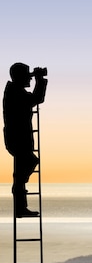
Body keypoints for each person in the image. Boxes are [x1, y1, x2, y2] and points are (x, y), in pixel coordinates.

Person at [3, 62, 47, 218]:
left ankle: (21, 206)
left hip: (18, 139)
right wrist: (40, 80)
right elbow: (37, 98)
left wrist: (38, 79)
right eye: (26, 74)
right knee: (25, 169)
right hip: (18, 140)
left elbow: (34, 99)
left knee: (23, 171)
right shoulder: (15, 92)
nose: (29, 77)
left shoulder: (15, 91)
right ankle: (20, 207)